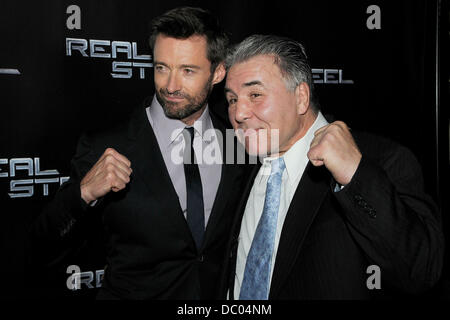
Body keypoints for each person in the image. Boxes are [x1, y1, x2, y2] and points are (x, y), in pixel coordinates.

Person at [32, 7, 249, 299]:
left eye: (187, 70)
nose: (170, 86)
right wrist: (83, 194)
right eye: (162, 67)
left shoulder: (237, 140)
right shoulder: (106, 145)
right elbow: (43, 247)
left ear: (218, 72)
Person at [221, 34, 444, 299]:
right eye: (233, 99)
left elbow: (421, 270)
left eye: (255, 94)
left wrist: (355, 176)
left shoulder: (381, 160)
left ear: (301, 97)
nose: (238, 113)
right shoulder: (241, 168)